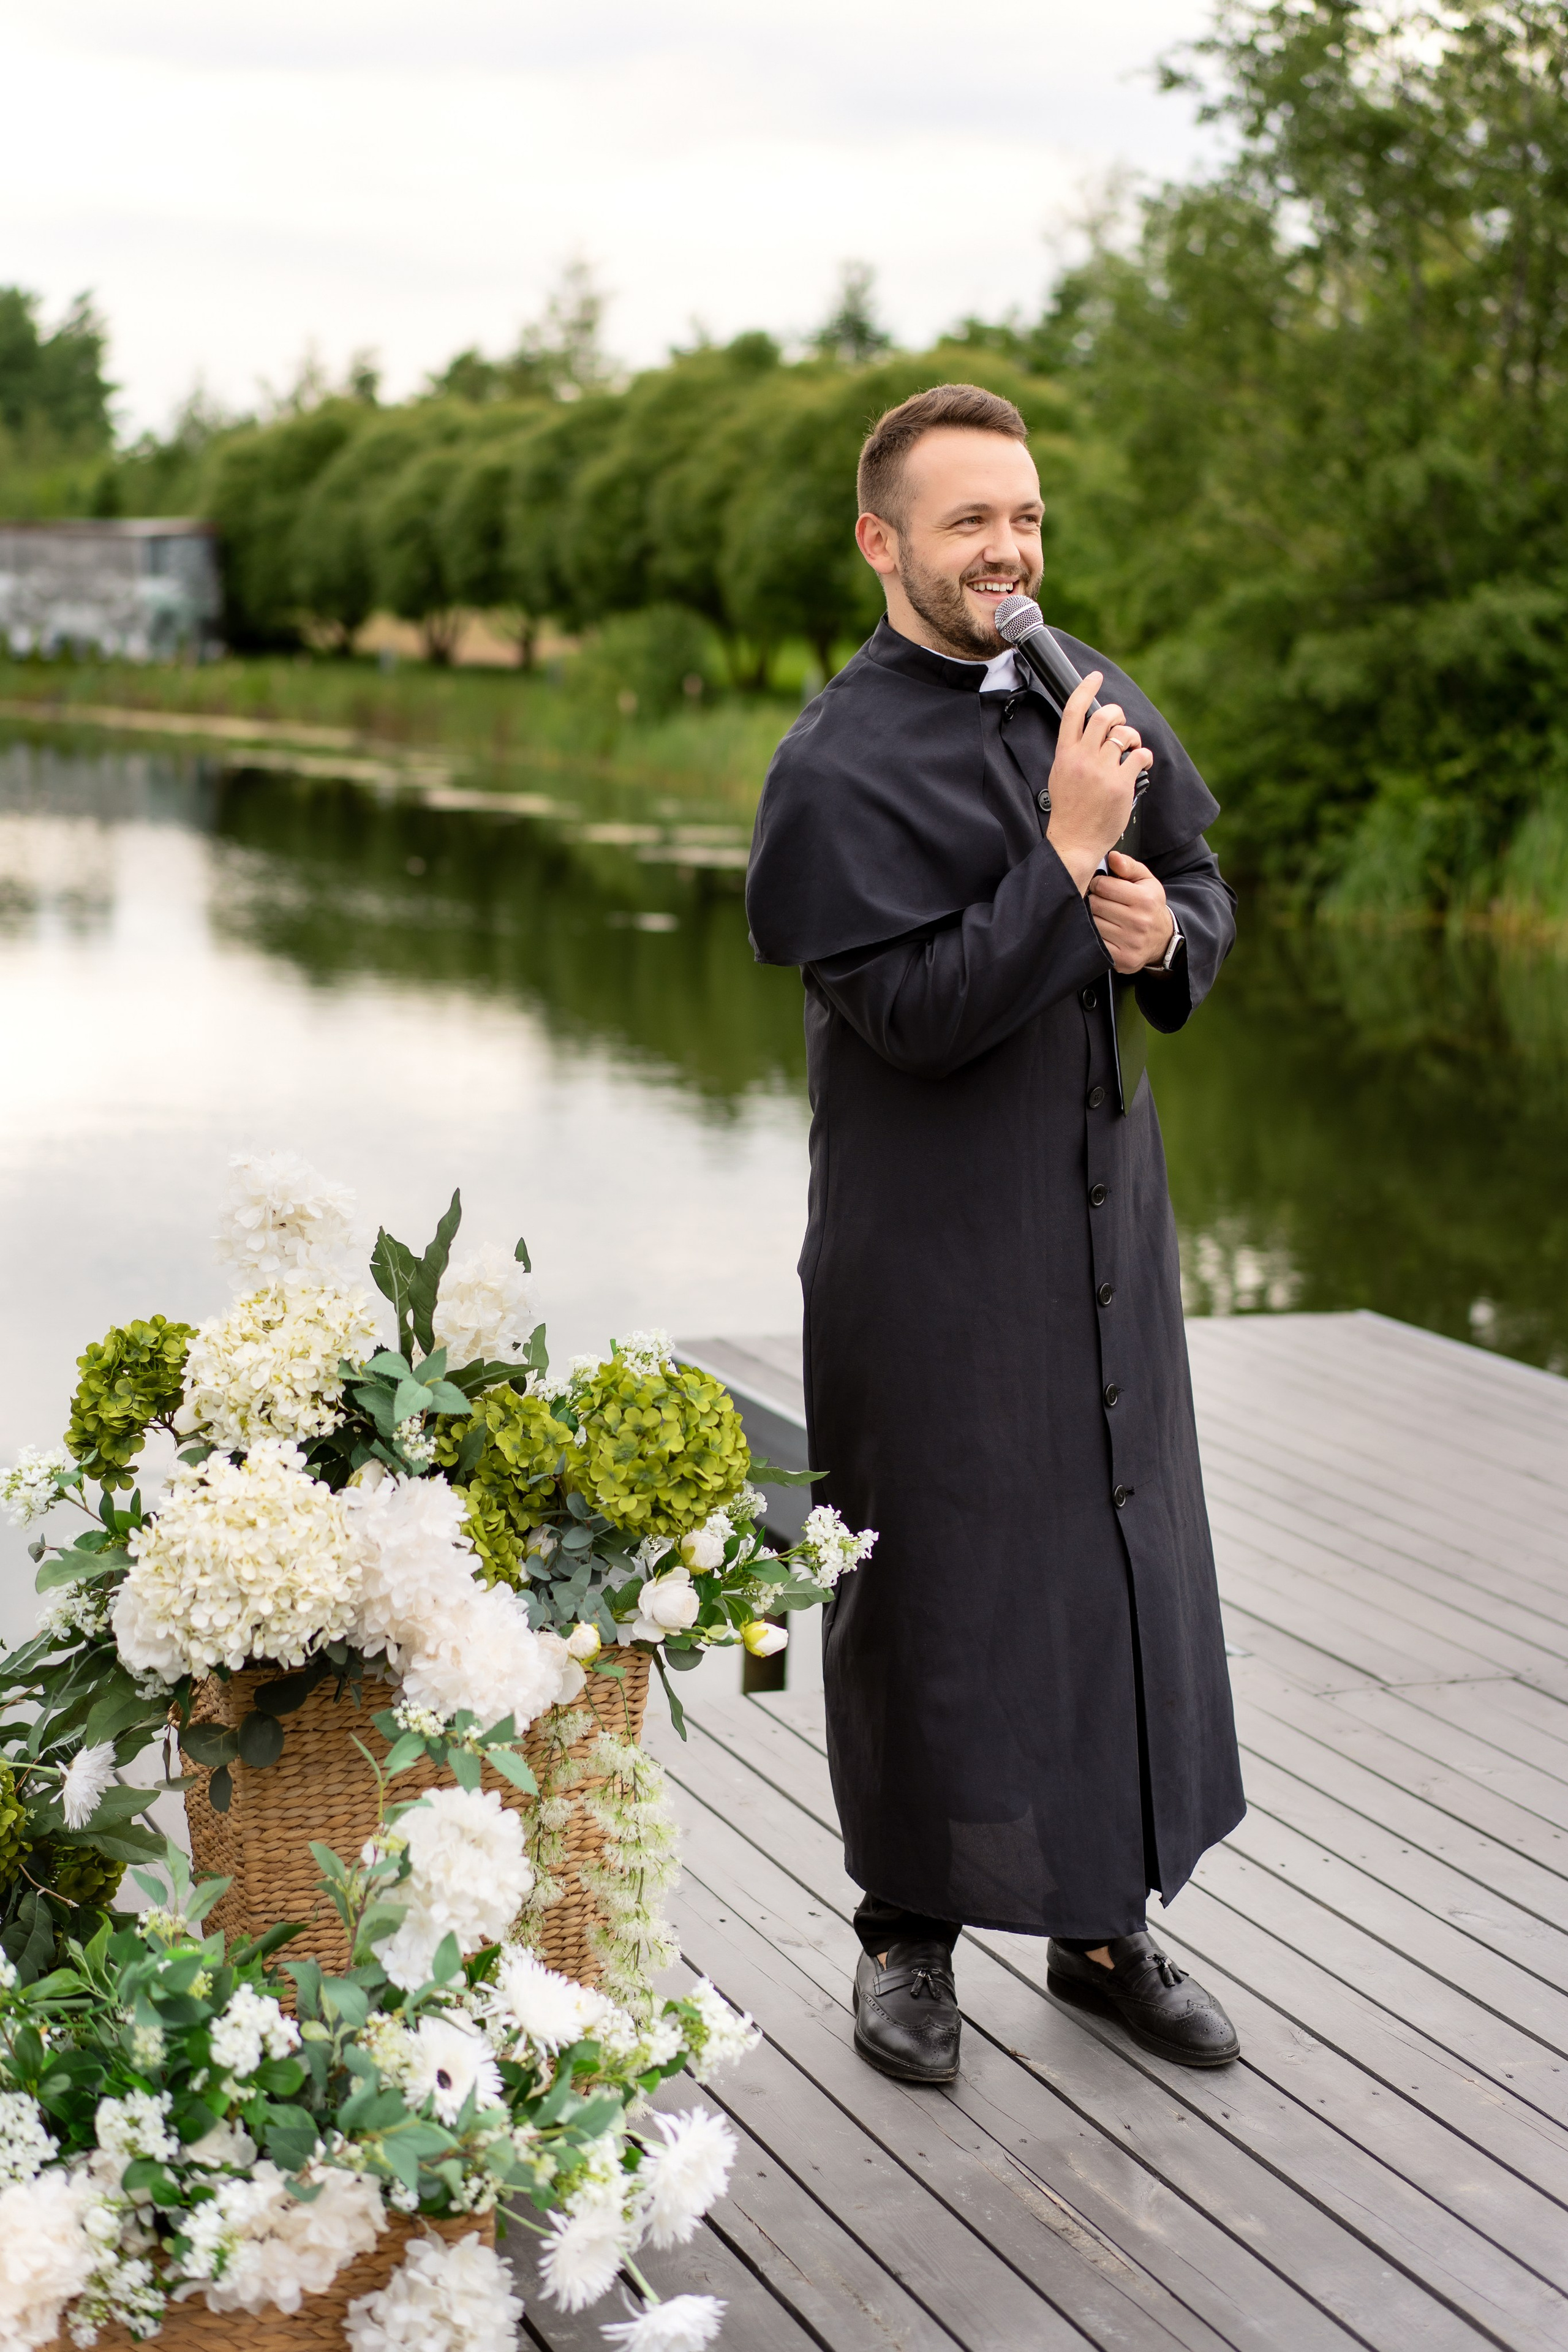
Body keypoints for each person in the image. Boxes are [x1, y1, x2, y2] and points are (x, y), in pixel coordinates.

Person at [745, 383, 1245, 2084]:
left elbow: (1199, 886)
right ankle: (906, 1936)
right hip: (928, 1249)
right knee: (930, 1580)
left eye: (1025, 517)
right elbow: (924, 1016)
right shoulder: (834, 761)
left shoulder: (1075, 683)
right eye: (972, 522)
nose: (1009, 551)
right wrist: (1061, 862)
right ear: (883, 540)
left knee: (1111, 1562)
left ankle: (1103, 1929)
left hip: (1104, 1226)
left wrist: (1155, 922)